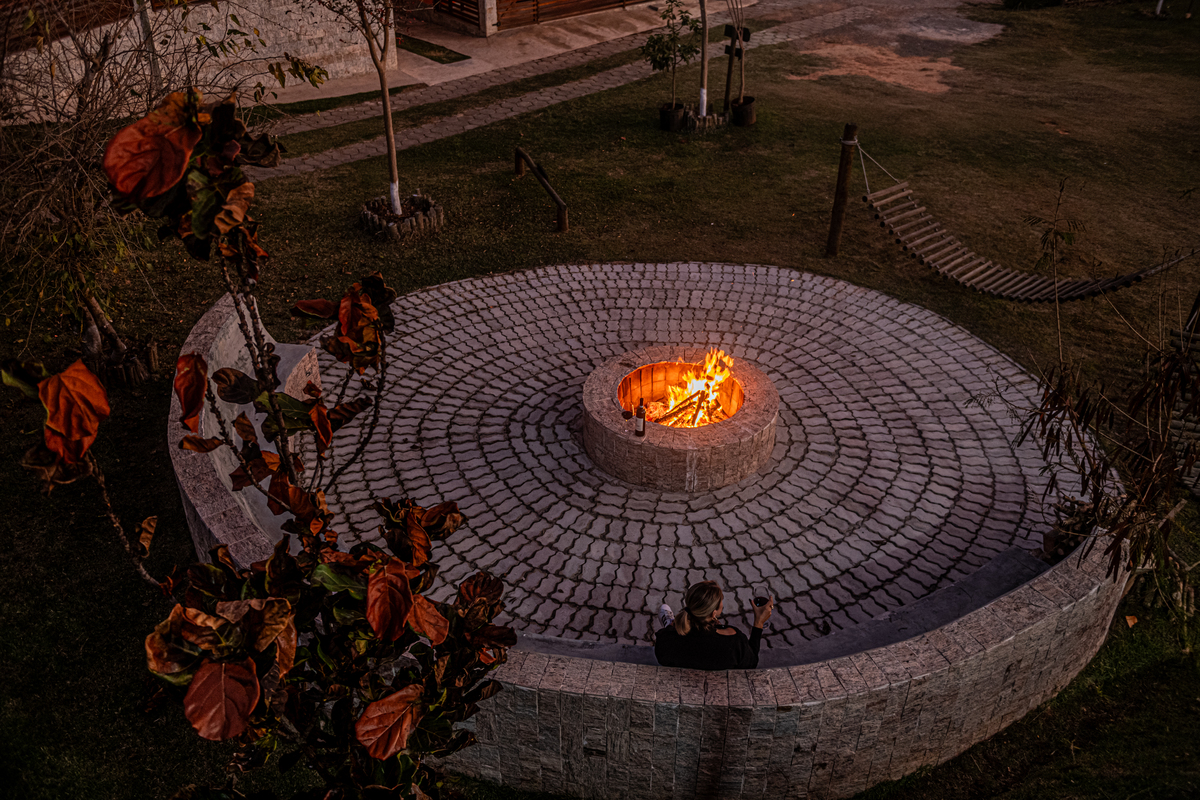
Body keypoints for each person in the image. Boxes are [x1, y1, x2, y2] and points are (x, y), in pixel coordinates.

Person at [654, 580, 773, 670]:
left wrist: (671, 629)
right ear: (713, 613)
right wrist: (759, 622)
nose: (722, 602)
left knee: (673, 628)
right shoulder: (734, 642)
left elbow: (662, 657)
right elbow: (752, 662)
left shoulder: (667, 640)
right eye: (721, 600)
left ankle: (671, 623)